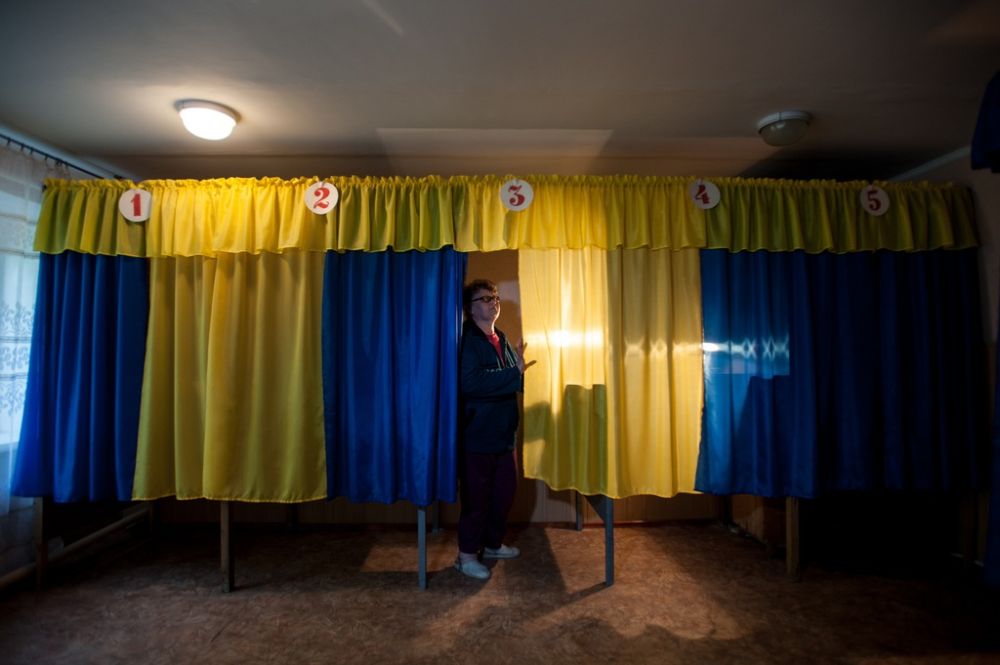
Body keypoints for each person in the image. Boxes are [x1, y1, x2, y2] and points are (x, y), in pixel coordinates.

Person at [454, 279, 535, 580]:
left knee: (504, 493)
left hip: (504, 435)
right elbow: (470, 383)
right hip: (477, 435)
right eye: (485, 299)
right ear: (470, 309)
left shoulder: (501, 337)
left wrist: (525, 377)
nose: (493, 303)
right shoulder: (468, 341)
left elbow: (514, 379)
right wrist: (512, 374)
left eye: (495, 298)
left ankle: (491, 545)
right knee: (476, 499)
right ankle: (465, 556)